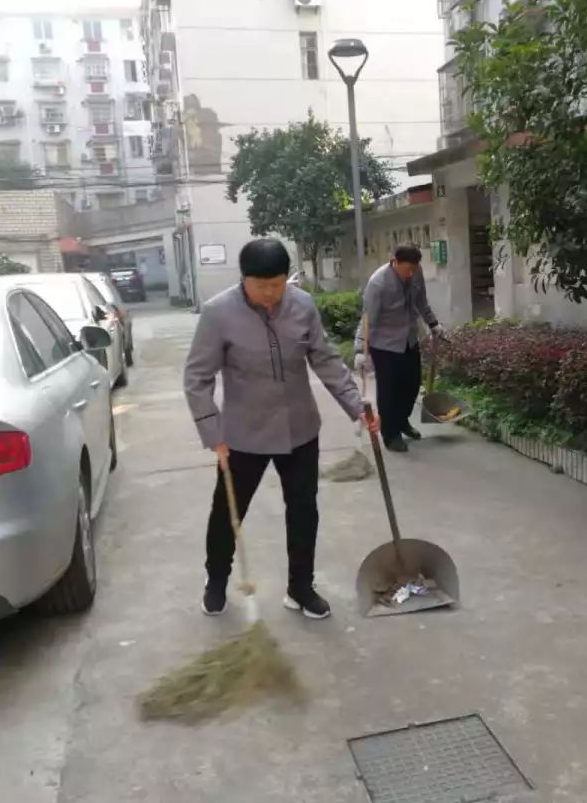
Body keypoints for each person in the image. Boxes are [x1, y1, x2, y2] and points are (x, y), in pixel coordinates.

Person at [184, 238, 379, 619]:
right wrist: (213, 434)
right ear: (244, 280)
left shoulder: (302, 305)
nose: (272, 294)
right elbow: (197, 378)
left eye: (278, 284)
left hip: (300, 429)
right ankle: (217, 580)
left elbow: (325, 360)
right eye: (262, 286)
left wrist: (358, 407)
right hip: (242, 434)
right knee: (228, 511)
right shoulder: (218, 313)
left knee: (304, 510)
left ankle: (301, 587)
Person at [354, 244, 442, 452]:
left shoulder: (415, 274)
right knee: (388, 392)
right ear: (395, 261)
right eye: (407, 269)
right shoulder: (378, 283)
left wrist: (433, 323)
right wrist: (359, 349)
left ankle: (402, 422)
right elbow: (368, 319)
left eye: (414, 269)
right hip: (384, 345)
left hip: (409, 340)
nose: (410, 273)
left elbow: (421, 302)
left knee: (411, 385)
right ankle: (390, 434)